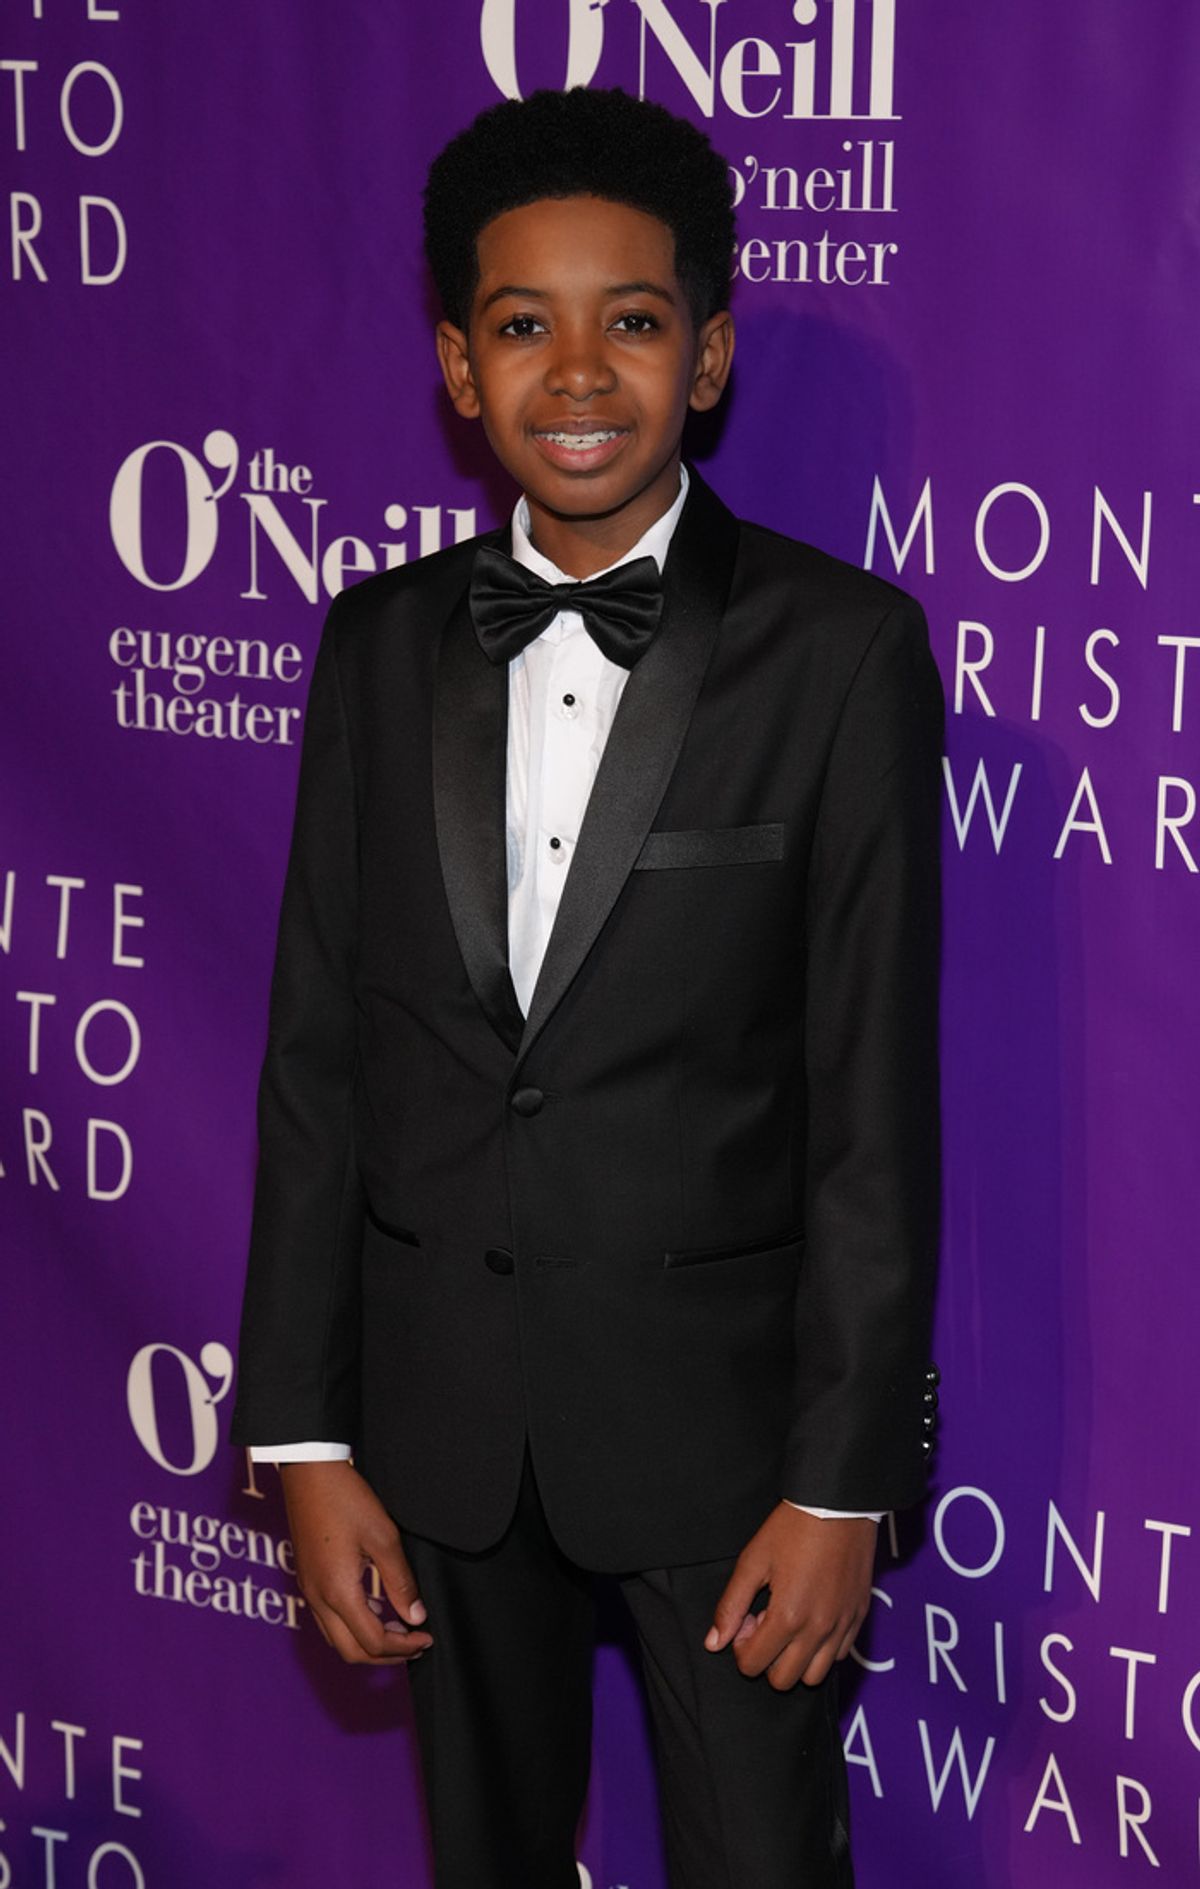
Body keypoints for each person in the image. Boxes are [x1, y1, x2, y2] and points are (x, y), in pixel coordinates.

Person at [231, 84, 943, 1889]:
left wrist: (843, 1479)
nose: (576, 373)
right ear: (457, 368)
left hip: (730, 1456)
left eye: (629, 322)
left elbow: (871, 1104)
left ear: (704, 355)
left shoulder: (842, 651)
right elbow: (321, 1054)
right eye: (521, 325)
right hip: (443, 1437)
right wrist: (307, 1435)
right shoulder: (377, 643)